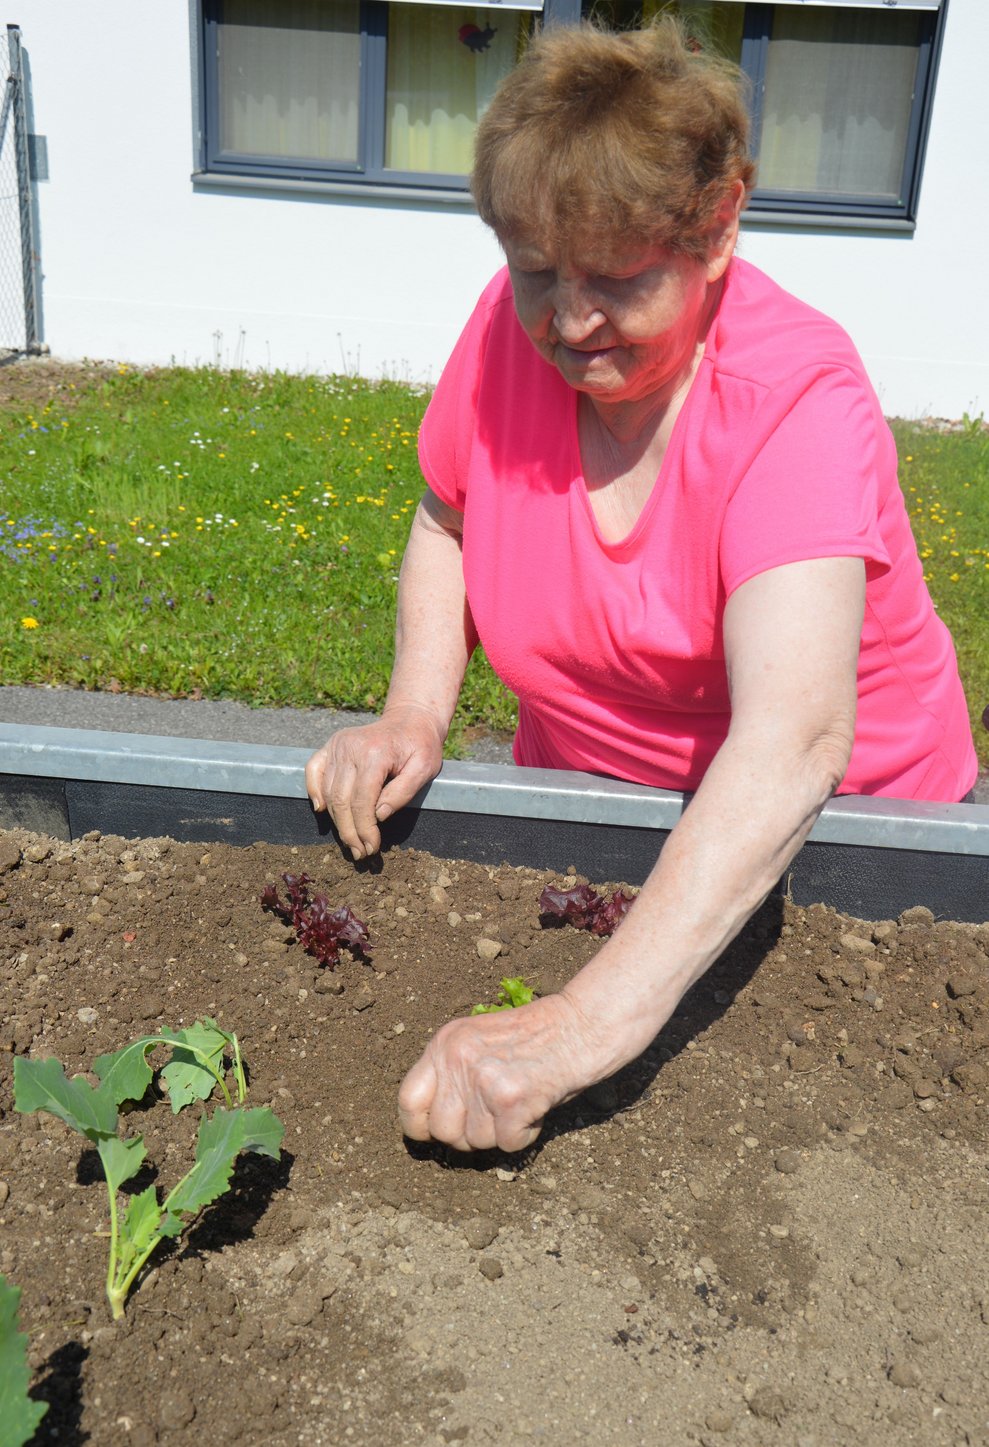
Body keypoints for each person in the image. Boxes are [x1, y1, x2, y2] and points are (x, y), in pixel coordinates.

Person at [306, 19, 977, 1155]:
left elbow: (793, 743)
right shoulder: (508, 337)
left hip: (836, 845)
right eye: (534, 271)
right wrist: (414, 709)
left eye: (616, 279)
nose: (568, 322)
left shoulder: (792, 400)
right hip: (590, 810)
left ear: (717, 229)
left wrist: (575, 1028)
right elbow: (446, 515)